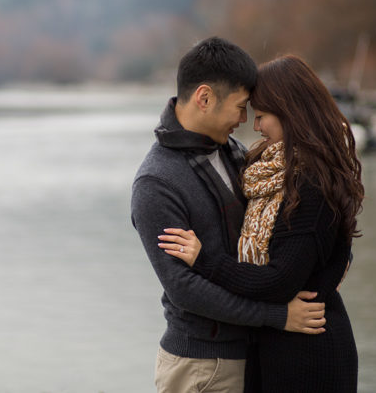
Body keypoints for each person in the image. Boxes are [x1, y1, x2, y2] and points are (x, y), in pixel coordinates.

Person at [131, 38, 328, 393]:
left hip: (258, 353)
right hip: (203, 366)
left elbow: (289, 225)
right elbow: (184, 289)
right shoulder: (156, 183)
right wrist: (278, 316)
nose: (244, 120)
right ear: (204, 98)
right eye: (240, 108)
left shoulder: (234, 152)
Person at [159, 54, 364, 392]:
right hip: (273, 347)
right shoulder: (263, 167)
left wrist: (205, 261)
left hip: (308, 353)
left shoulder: (310, 181)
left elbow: (280, 281)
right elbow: (323, 246)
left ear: (292, 113)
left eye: (261, 115)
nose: (253, 125)